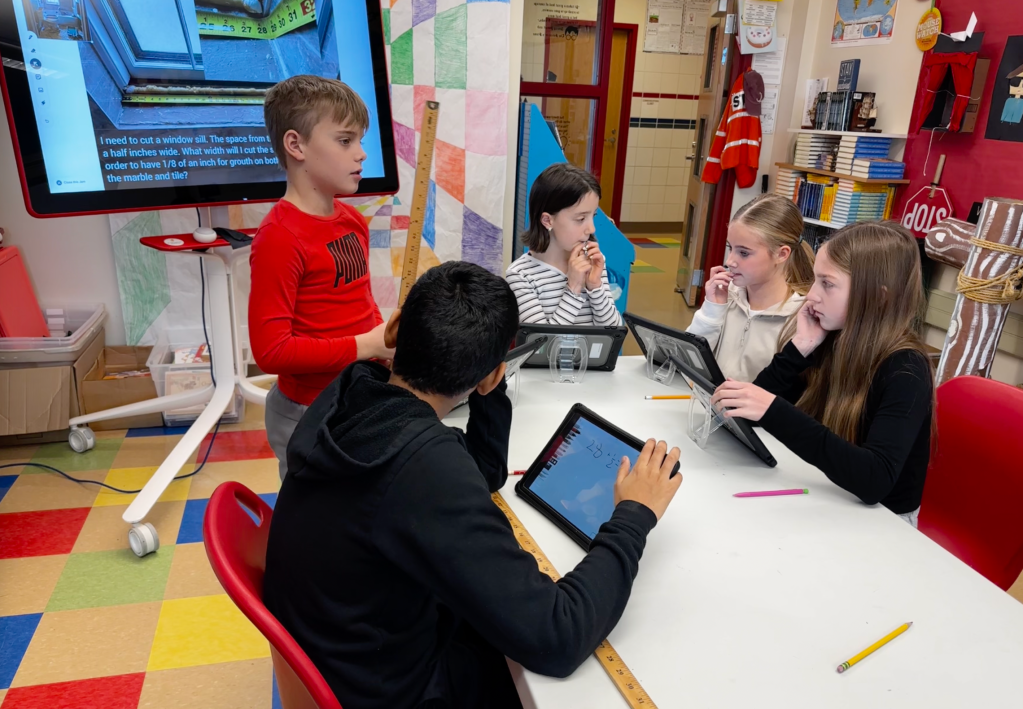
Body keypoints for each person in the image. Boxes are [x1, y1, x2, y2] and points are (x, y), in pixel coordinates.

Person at [262, 261, 683, 709]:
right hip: (389, 689)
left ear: (394, 329)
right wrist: (634, 515)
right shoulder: (423, 469)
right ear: (492, 376)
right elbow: (558, 637)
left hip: (348, 650)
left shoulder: (353, 395)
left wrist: (487, 381)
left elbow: (482, 472)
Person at [710, 222, 933, 527]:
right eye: (815, 280)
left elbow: (875, 480)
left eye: (827, 284)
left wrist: (775, 411)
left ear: (878, 297)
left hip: (883, 523)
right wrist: (798, 348)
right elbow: (747, 417)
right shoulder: (828, 337)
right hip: (832, 497)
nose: (811, 296)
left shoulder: (906, 368)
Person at [248, 75, 393, 480]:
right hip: (305, 412)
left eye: (360, 140)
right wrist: (364, 345)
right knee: (317, 514)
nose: (361, 154)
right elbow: (271, 352)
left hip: (357, 393)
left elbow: (359, 302)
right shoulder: (279, 238)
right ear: (296, 146)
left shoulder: (351, 221)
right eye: (345, 141)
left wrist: (382, 344)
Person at [687, 193, 815, 381]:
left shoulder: (800, 318)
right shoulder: (727, 296)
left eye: (744, 253)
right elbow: (688, 361)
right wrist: (712, 311)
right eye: (730, 248)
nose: (730, 261)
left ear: (781, 254)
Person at [506, 163, 622, 326]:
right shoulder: (521, 275)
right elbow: (542, 341)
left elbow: (613, 331)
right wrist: (573, 288)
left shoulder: (592, 260)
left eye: (593, 216)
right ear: (547, 220)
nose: (591, 229)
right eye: (580, 219)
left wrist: (595, 287)